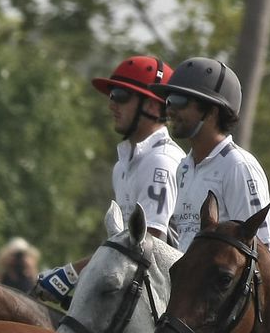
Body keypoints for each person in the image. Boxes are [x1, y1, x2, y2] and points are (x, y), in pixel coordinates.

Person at [37, 55, 180, 310]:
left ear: (153, 105)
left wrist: (70, 274)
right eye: (111, 95)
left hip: (167, 301)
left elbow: (148, 246)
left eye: (121, 96)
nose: (112, 104)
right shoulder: (124, 165)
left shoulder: (160, 161)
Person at [157, 57, 270, 253]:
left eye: (179, 101)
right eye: (168, 101)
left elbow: (260, 250)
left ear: (211, 111)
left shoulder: (238, 167)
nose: (170, 110)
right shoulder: (184, 167)